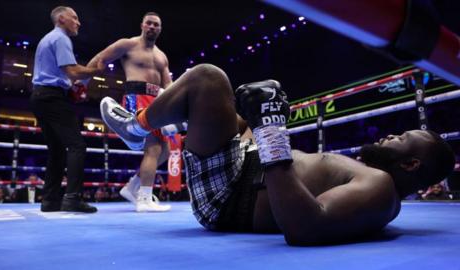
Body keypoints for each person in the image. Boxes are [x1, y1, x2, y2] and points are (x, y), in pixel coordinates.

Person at [100, 64, 455, 246]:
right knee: (229, 99)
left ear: (411, 164)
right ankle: (177, 120)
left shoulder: (380, 189)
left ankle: (138, 128)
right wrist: (262, 126)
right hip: (245, 170)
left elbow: (305, 227)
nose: (390, 135)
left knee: (207, 79)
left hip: (231, 196)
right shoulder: (373, 182)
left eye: (402, 138)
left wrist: (271, 130)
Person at [85, 12, 172, 212]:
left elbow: (167, 84)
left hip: (157, 99)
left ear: (160, 29)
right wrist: (82, 83)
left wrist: (179, 102)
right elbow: (101, 58)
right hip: (136, 96)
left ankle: (132, 187)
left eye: (156, 25)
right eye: (149, 23)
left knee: (165, 151)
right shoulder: (128, 44)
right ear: (142, 25)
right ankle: (144, 199)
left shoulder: (161, 56)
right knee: (153, 148)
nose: (152, 27)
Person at [30, 6, 104, 213]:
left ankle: (50, 200)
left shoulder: (47, 39)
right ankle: (72, 198)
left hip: (40, 96)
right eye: (75, 18)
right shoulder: (61, 38)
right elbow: (72, 70)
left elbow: (61, 74)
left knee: (56, 150)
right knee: (77, 146)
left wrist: (70, 88)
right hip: (52, 97)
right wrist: (95, 71)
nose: (78, 22)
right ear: (62, 19)